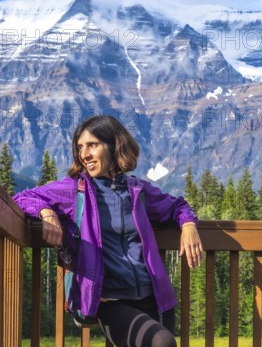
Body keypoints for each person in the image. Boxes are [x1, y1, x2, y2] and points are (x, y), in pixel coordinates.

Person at [13, 115, 203, 347]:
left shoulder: (137, 190)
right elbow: (23, 197)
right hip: (110, 301)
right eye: (80, 147)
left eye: (92, 145)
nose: (84, 154)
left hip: (154, 298)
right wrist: (46, 212)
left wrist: (189, 225)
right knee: (162, 342)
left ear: (114, 146)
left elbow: (176, 206)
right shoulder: (75, 189)